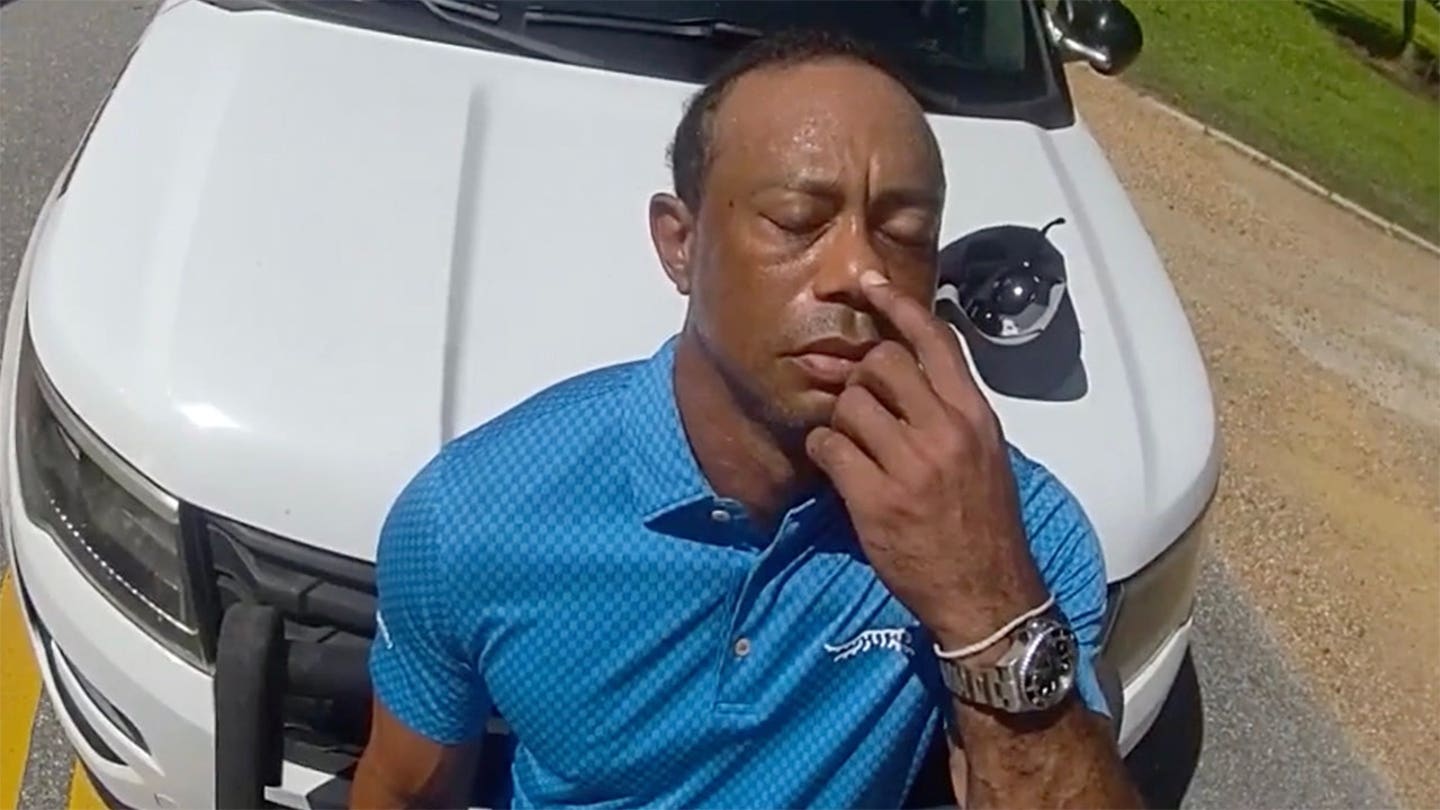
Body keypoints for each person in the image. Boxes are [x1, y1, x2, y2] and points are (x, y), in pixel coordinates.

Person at [350, 30, 1142, 810]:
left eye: (903, 234)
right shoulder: (475, 515)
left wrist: (987, 604)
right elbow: (404, 790)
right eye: (797, 221)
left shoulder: (1015, 532)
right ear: (680, 243)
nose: (858, 271)